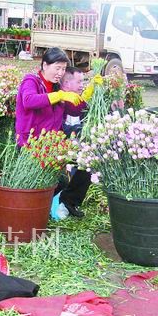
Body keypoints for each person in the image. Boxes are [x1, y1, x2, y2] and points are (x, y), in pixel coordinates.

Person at [15, 48, 94, 217]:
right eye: (57, 68)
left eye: (63, 69)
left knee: (87, 160)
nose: (60, 73)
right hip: (32, 144)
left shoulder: (57, 88)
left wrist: (89, 92)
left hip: (54, 145)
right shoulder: (32, 81)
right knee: (56, 181)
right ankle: (40, 205)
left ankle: (69, 201)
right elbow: (29, 101)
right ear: (44, 65)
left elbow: (73, 110)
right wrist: (59, 95)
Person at [58, 66, 93, 217]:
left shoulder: (71, 98)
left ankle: (68, 201)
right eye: (79, 82)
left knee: (89, 159)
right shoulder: (59, 96)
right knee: (85, 159)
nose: (82, 85)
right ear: (66, 84)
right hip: (48, 138)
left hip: (62, 135)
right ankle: (63, 198)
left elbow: (79, 108)